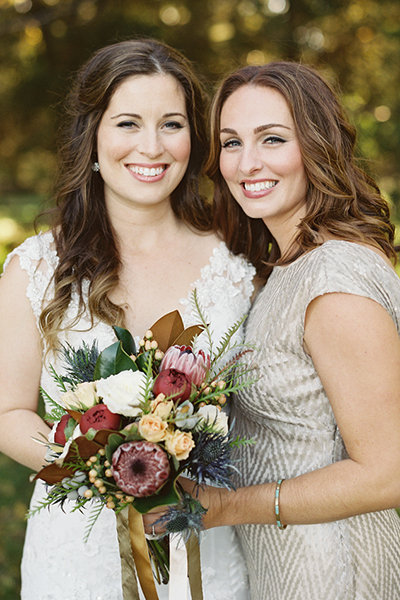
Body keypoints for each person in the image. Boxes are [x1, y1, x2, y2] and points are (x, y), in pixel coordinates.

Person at [0, 39, 255, 599]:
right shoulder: (37, 267)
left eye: (171, 124)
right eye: (128, 124)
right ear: (92, 136)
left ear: (194, 138)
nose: (151, 146)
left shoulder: (237, 268)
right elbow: (8, 410)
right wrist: (100, 463)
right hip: (76, 551)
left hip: (205, 554)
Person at [174, 61, 400, 599]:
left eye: (272, 139)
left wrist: (227, 507)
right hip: (290, 564)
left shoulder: (334, 277)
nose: (246, 163)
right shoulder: (288, 268)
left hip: (337, 572)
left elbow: (388, 471)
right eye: (231, 142)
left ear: (318, 147)